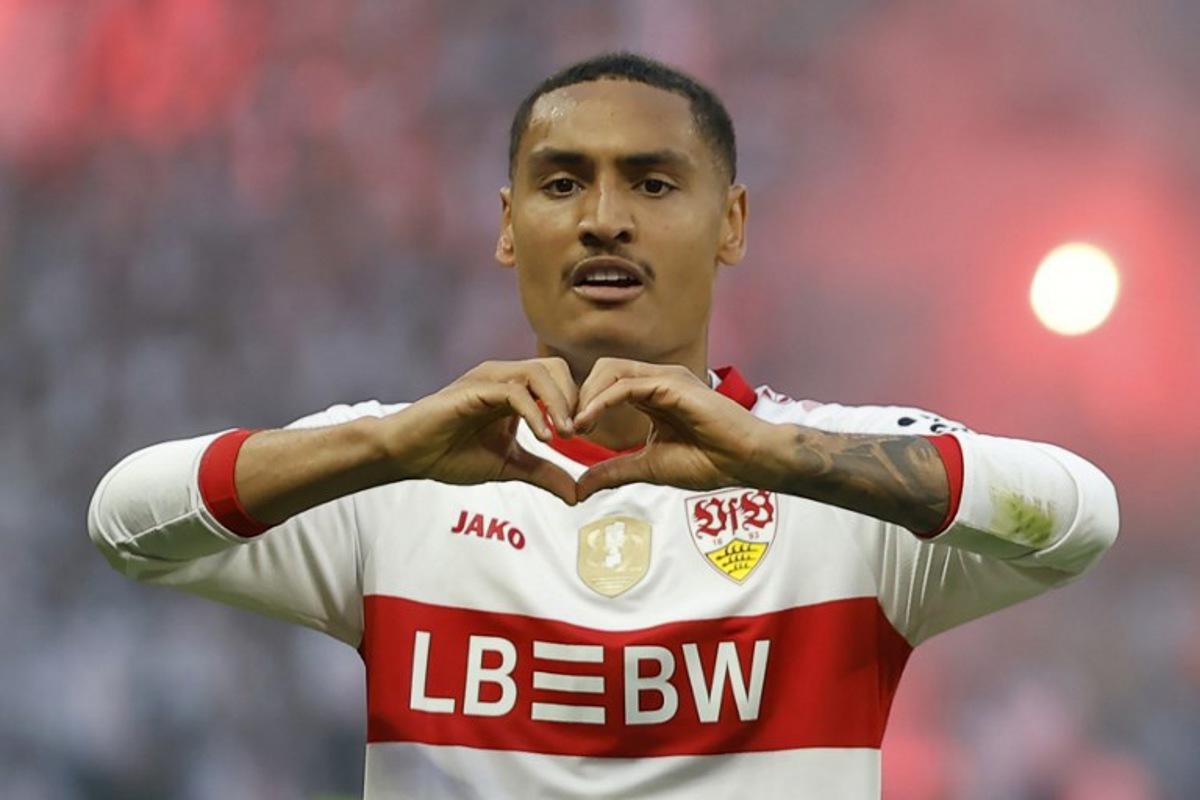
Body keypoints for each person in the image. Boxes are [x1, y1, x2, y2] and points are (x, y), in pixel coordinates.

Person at [88, 51, 1119, 799]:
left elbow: (1079, 517)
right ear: (507, 226)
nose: (603, 219)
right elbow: (126, 522)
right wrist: (387, 445)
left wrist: (772, 454)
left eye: (653, 182)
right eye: (562, 182)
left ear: (732, 223)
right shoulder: (404, 467)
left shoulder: (834, 481)